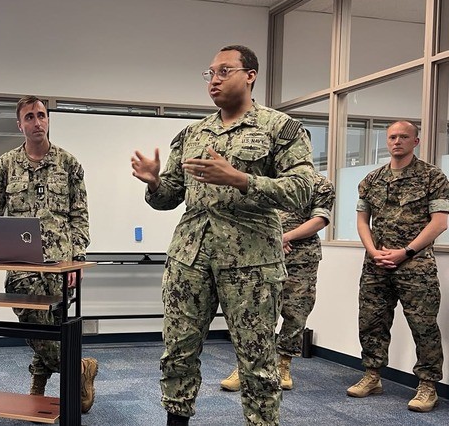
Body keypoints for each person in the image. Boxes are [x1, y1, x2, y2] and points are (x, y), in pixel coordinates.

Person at [131, 45, 315, 426]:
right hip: (190, 257)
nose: (214, 80)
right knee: (178, 352)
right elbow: (170, 197)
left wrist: (241, 179)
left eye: (224, 71)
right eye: (210, 73)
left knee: (256, 361)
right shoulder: (192, 133)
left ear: (250, 75)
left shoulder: (280, 128)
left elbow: (301, 190)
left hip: (252, 262)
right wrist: (154, 183)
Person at [0, 95, 98, 413]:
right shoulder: (4, 164)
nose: (37, 121)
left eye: (41, 115)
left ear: (48, 120)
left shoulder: (69, 164)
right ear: (20, 124)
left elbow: (79, 216)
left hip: (59, 263)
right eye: (29, 116)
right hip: (20, 264)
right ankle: (80, 368)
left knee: (52, 325)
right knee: (33, 322)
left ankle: (38, 387)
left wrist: (77, 260)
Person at [346, 120, 448, 413]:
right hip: (376, 264)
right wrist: (372, 251)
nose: (397, 141)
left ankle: (427, 386)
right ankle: (372, 375)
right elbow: (362, 221)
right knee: (371, 321)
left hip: (416, 266)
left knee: (423, 325)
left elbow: (440, 222)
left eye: (404, 137)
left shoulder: (433, 177)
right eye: (392, 137)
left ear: (415, 141)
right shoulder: (371, 179)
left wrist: (406, 252)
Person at [221, 168, 335, 392]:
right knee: (256, 312)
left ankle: (283, 365)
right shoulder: (265, 177)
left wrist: (285, 237)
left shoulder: (319, 183)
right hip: (262, 254)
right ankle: (246, 367)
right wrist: (271, 239)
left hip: (301, 257)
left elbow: (320, 220)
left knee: (296, 311)